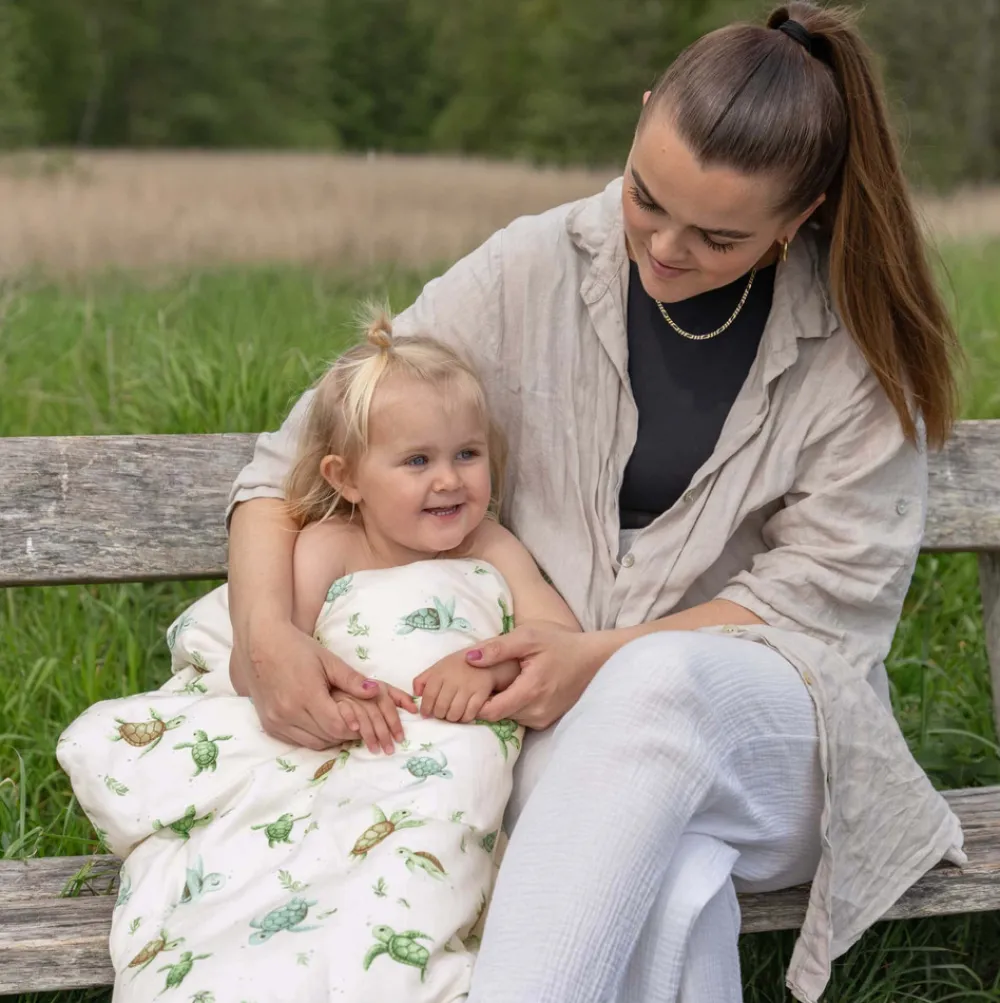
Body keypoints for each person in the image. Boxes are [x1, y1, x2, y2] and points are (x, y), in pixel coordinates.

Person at [224, 3, 965, 1001]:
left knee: (653, 685)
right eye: (646, 198)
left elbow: (820, 608)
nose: (663, 246)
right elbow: (287, 468)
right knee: (673, 885)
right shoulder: (529, 267)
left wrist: (594, 659)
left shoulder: (855, 346)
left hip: (781, 746)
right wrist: (266, 634)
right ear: (644, 111)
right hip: (557, 742)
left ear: (802, 216)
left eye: (717, 236)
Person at [58, 314, 579, 1002]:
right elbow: (284, 658)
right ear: (348, 477)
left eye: (467, 454)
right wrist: (335, 696)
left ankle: (380, 939)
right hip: (341, 740)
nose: (448, 480)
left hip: (438, 748)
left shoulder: (491, 545)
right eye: (417, 461)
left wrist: (490, 664)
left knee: (441, 809)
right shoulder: (329, 546)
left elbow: (557, 635)